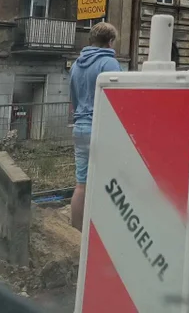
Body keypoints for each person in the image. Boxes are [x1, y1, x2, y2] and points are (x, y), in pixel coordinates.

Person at [69, 23, 121, 231]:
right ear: (110, 41)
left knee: (81, 184)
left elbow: (73, 97)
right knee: (110, 183)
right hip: (101, 128)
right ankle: (106, 232)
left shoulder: (75, 65)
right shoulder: (109, 63)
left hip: (80, 127)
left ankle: (75, 234)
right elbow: (118, 99)